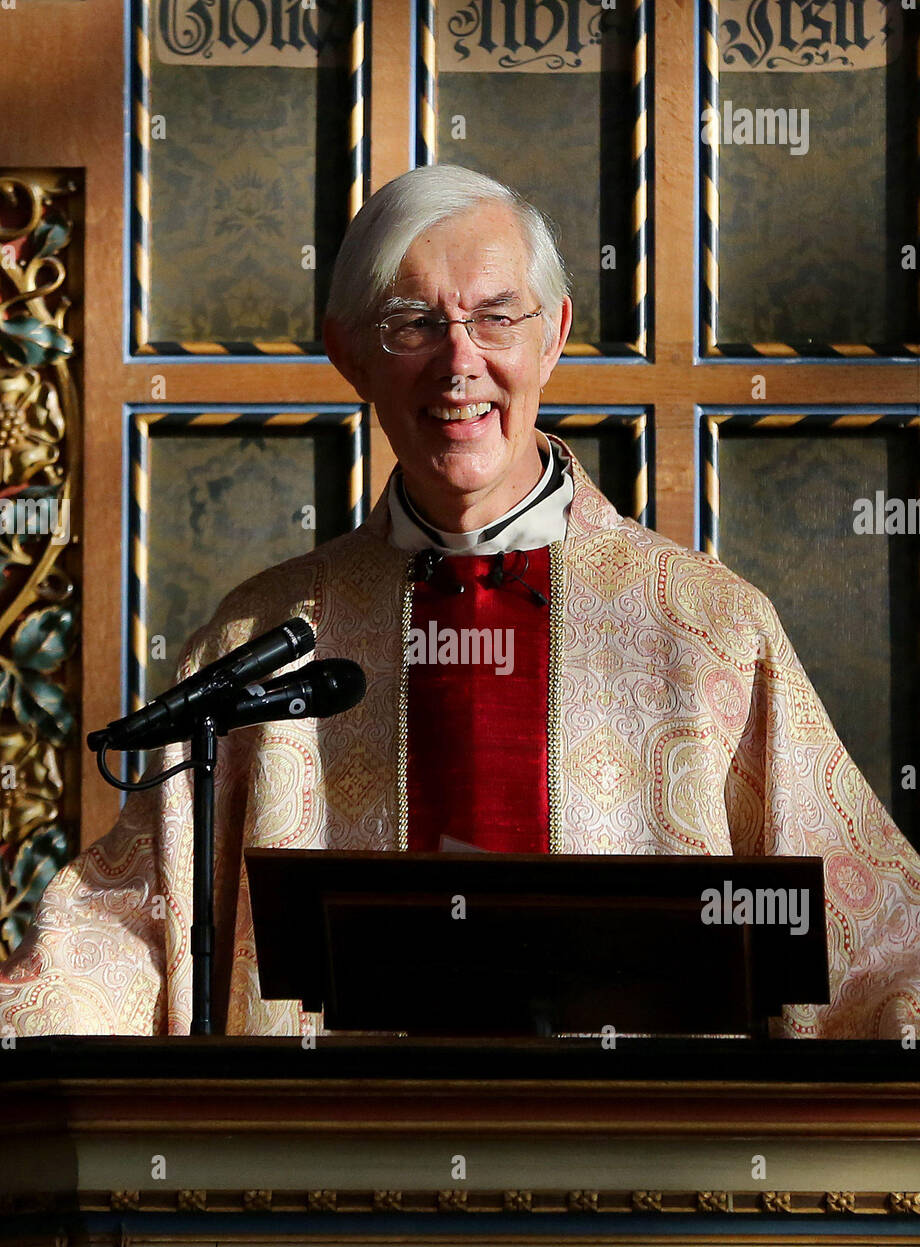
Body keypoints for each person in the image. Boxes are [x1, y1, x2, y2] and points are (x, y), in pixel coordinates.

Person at [1, 165, 918, 1038]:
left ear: (554, 335)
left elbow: (872, 940)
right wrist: (43, 1017)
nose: (459, 364)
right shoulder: (263, 641)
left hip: (637, 1181)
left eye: (494, 319)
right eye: (412, 324)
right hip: (324, 1188)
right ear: (348, 354)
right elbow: (132, 929)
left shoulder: (710, 628)